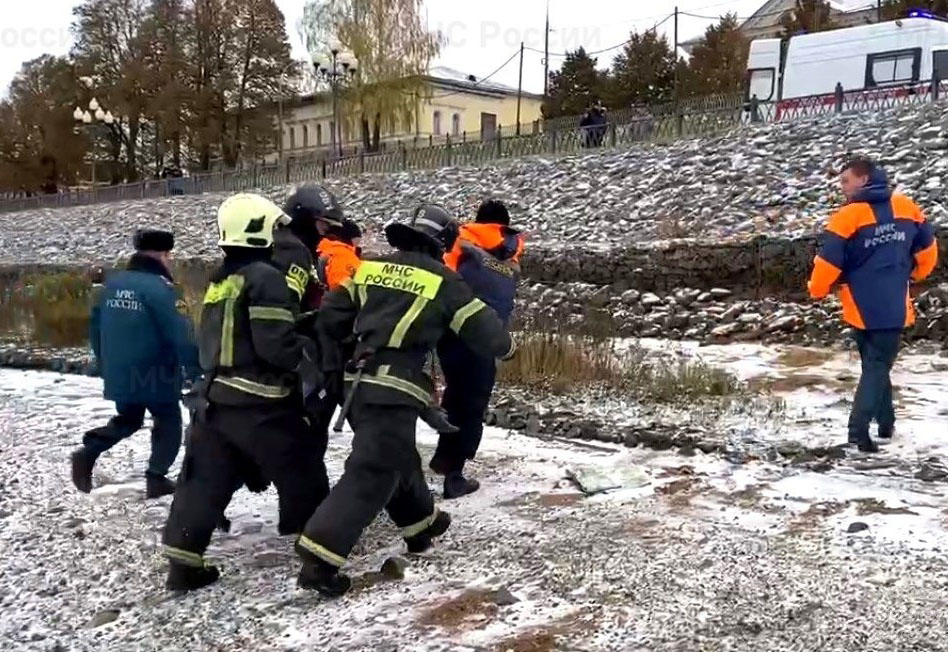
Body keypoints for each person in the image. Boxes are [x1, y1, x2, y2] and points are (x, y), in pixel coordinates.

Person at [294, 204, 516, 598]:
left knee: (393, 453)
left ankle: (421, 523)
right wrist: (509, 346)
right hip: (395, 389)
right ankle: (320, 557)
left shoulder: (370, 268)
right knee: (373, 469)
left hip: (355, 387)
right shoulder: (445, 282)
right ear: (442, 243)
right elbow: (490, 338)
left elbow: (329, 317)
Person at [161, 193, 326, 592]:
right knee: (302, 468)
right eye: (272, 227)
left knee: (203, 481)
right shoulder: (266, 277)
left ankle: (183, 564)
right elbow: (275, 345)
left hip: (216, 396)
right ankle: (320, 551)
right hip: (261, 400)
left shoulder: (221, 278)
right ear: (258, 230)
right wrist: (305, 350)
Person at [808, 157, 937, 453]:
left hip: (858, 304)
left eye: (845, 181)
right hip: (893, 302)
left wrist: (816, 290)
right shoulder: (907, 208)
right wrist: (914, 274)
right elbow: (928, 251)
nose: (842, 187)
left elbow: (828, 261)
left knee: (874, 364)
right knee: (878, 365)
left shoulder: (846, 217)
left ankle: (866, 428)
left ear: (863, 180)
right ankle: (878, 425)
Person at [71, 229, 199, 499]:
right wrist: (196, 369)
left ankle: (89, 451)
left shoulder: (112, 285)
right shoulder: (163, 290)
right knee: (168, 420)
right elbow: (180, 333)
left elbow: (95, 329)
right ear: (164, 255)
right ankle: (156, 477)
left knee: (129, 418)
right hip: (155, 371)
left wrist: (105, 363)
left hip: (119, 369)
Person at [434, 200, 524, 497]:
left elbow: (442, 277)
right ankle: (454, 473)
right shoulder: (513, 244)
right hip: (487, 331)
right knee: (472, 402)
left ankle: (446, 457)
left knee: (455, 392)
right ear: (504, 223)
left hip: (452, 328)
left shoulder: (462, 239)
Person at [281, 183, 346, 309]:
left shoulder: (309, 253)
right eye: (324, 225)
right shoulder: (290, 253)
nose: (326, 232)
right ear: (305, 220)